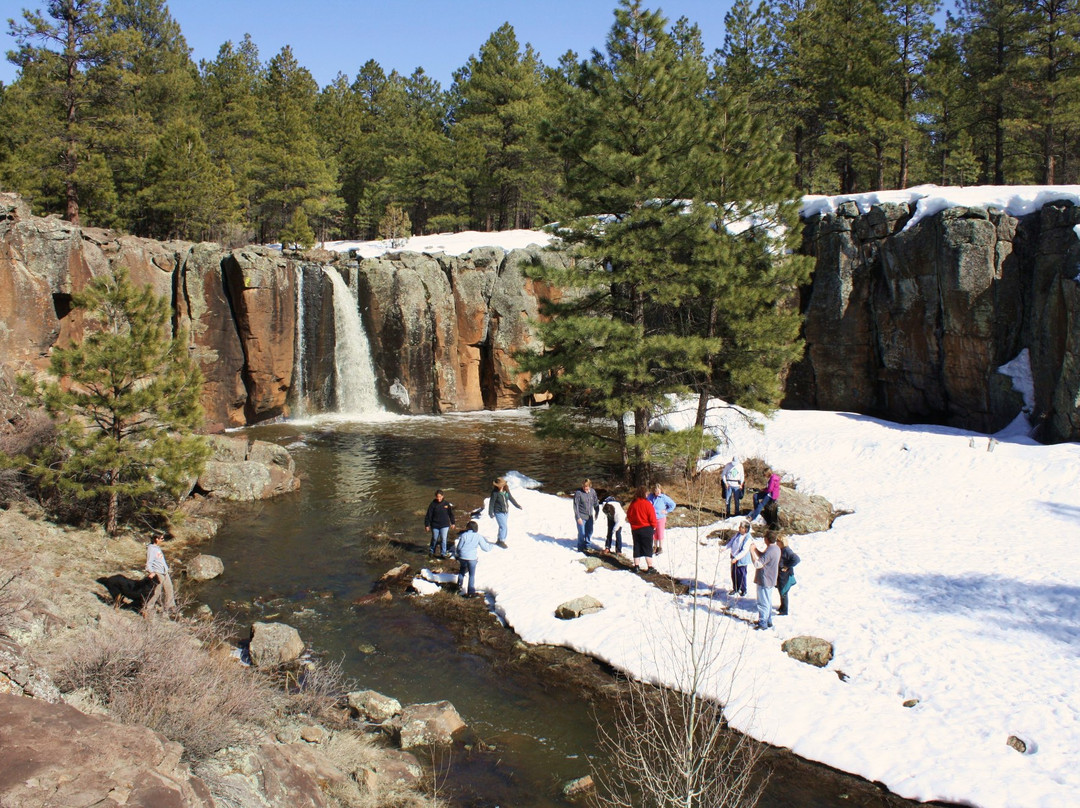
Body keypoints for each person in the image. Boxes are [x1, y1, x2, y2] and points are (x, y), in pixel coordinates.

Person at [454, 520, 495, 598]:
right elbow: (485, 548)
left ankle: (459, 586)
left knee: (462, 570)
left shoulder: (464, 535)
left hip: (463, 557)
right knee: (471, 575)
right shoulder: (478, 536)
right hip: (472, 558)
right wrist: (491, 546)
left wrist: (458, 554)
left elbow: (459, 547)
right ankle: (471, 592)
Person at [749, 531, 781, 630]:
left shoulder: (770, 551)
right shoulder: (776, 548)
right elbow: (764, 557)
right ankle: (768, 620)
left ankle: (763, 622)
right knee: (768, 601)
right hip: (771, 579)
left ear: (767, 539)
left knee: (763, 602)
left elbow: (758, 564)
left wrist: (751, 552)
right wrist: (755, 550)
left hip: (764, 579)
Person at [625, 486, 658, 573]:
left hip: (635, 529)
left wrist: (633, 523)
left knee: (637, 547)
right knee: (647, 548)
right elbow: (652, 517)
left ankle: (636, 566)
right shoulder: (647, 504)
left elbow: (629, 515)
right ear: (644, 494)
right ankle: (650, 567)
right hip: (647, 528)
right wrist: (654, 526)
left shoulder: (633, 504)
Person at [143, 532, 175, 616]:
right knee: (157, 591)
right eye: (161, 538)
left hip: (164, 572)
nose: (163, 540)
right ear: (156, 539)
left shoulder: (157, 548)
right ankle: (148, 608)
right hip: (158, 572)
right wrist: (151, 572)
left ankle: (170, 608)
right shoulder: (151, 549)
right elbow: (148, 563)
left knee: (169, 588)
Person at [488, 477, 522, 549]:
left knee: (502, 526)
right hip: (498, 512)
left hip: (506, 512)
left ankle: (499, 539)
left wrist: (517, 505)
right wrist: (490, 512)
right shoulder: (495, 493)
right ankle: (501, 541)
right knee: (504, 527)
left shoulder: (506, 490)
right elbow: (491, 503)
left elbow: (510, 498)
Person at [424, 490, 455, 558]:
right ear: (436, 497)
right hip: (435, 525)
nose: (439, 498)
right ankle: (432, 551)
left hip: (445, 525)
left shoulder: (446, 504)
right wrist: (427, 525)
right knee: (435, 538)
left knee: (443, 539)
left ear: (443, 496)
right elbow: (428, 515)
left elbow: (450, 514)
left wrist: (453, 523)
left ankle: (443, 553)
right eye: (437, 497)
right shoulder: (432, 504)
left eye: (440, 497)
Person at [647, 483, 676, 555]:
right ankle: (655, 547)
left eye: (659, 491)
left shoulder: (663, 497)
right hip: (651, 518)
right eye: (656, 491)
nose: (658, 492)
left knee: (659, 533)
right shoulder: (650, 496)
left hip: (660, 518)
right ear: (654, 491)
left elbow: (673, 504)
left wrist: (666, 511)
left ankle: (660, 547)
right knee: (653, 533)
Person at [573, 478, 600, 552]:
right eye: (584, 487)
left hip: (590, 516)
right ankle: (580, 547)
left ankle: (587, 545)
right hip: (581, 516)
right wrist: (578, 517)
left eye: (587, 487)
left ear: (590, 486)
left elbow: (595, 503)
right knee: (582, 532)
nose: (585, 488)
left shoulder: (593, 492)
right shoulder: (578, 493)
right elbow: (576, 506)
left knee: (590, 531)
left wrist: (597, 511)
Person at [727, 520, 752, 597]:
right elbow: (731, 542)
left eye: (741, 527)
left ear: (746, 529)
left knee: (741, 575)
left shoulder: (748, 538)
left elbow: (744, 551)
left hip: (741, 560)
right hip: (734, 557)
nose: (739, 528)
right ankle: (736, 588)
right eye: (740, 527)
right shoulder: (737, 534)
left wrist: (736, 558)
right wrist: (725, 547)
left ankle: (743, 589)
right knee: (734, 573)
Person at [776, 536, 800, 616]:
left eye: (778, 541)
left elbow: (796, 559)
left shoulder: (787, 550)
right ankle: (782, 606)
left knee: (784, 592)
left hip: (785, 576)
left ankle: (784, 610)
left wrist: (786, 566)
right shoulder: (781, 550)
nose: (776, 543)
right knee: (781, 591)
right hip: (781, 575)